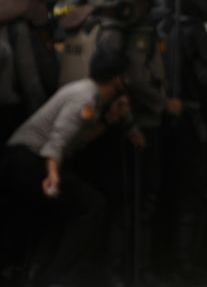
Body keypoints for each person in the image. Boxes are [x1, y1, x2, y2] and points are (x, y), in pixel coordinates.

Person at [0, 48, 129, 286]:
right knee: (92, 206)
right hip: (27, 161)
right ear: (118, 80)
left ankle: (44, 274)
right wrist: (53, 176)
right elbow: (56, 142)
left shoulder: (89, 95)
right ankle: (58, 278)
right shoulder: (85, 98)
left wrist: (110, 120)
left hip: (25, 161)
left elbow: (76, 140)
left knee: (68, 210)